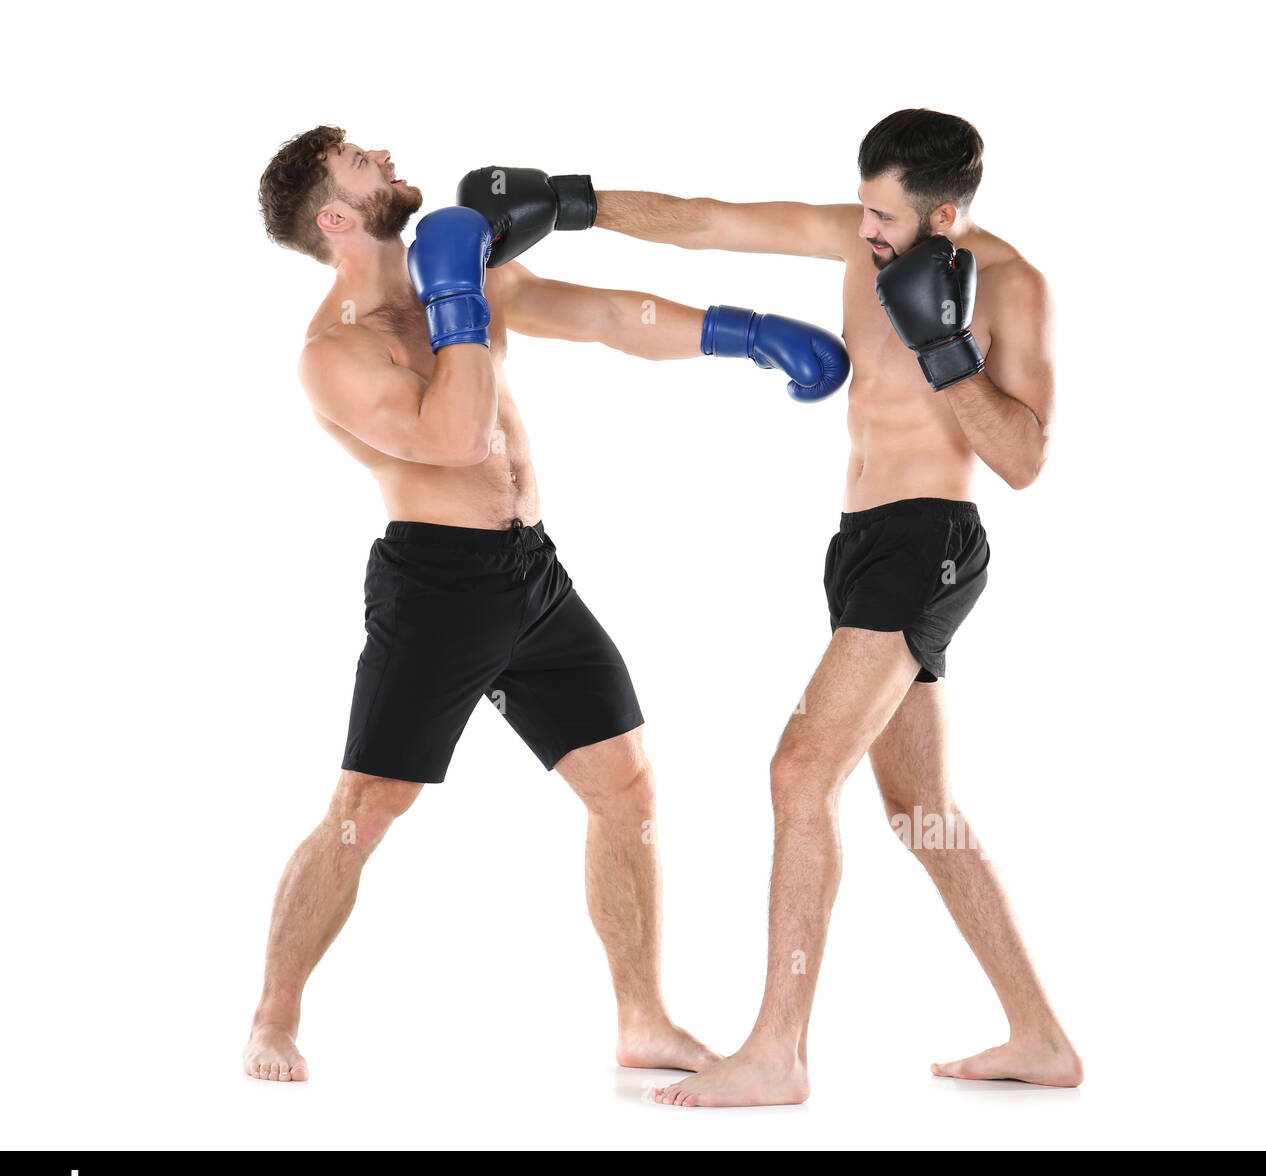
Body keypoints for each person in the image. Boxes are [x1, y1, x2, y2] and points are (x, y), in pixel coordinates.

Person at [470, 107, 1082, 1105]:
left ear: (947, 214)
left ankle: (777, 1049)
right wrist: (575, 204)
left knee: (798, 775)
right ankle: (1040, 1036)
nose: (867, 229)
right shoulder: (856, 236)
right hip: (861, 545)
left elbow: (1022, 461)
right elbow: (709, 221)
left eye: (886, 216)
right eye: (862, 205)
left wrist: (947, 353)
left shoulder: (1012, 286)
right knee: (920, 808)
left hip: (928, 542)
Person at [245, 127, 849, 1082]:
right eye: (363, 163)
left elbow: (613, 315)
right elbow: (454, 438)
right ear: (335, 217)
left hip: (532, 577)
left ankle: (642, 1019)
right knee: (367, 808)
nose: (388, 157)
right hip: (436, 588)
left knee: (626, 788)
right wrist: (455, 297)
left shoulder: (469, 284)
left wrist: (744, 332)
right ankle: (273, 1017)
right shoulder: (335, 353)